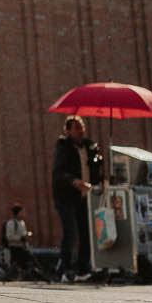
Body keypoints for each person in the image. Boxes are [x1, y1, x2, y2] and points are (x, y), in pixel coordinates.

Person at [52, 115, 101, 280]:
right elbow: (58, 172)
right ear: (68, 130)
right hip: (65, 196)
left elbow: (96, 169)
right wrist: (74, 181)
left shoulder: (90, 146)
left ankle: (82, 269)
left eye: (82, 127)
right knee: (70, 231)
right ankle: (65, 269)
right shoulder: (63, 146)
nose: (81, 131)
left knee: (86, 232)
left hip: (84, 196)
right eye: (77, 128)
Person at [1, 203, 34, 280]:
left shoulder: (22, 223)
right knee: (15, 264)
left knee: (29, 261)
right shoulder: (11, 223)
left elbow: (24, 234)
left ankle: (26, 276)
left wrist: (27, 235)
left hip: (22, 247)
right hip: (14, 248)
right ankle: (8, 277)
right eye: (22, 212)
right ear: (18, 213)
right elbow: (9, 236)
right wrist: (20, 238)